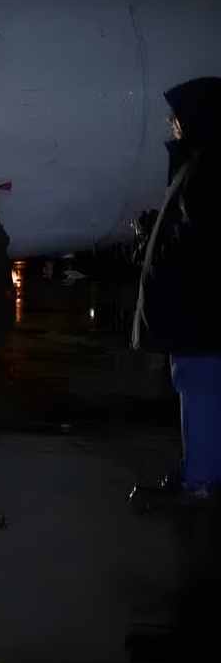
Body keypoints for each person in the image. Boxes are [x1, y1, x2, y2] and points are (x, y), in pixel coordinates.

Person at [131, 77, 221, 509]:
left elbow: (198, 239)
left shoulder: (206, 169)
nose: (173, 124)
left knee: (199, 392)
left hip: (199, 311)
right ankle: (199, 472)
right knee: (201, 390)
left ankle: (200, 479)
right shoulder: (202, 164)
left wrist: (158, 236)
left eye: (178, 117)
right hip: (199, 309)